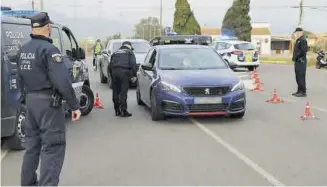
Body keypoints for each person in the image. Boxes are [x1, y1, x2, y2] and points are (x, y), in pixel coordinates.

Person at [17, 12, 81, 186]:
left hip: (30, 103)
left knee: (32, 147)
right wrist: (74, 106)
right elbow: (62, 81)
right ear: (48, 28)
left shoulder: (23, 50)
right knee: (52, 148)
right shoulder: (49, 50)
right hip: (48, 105)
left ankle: (28, 183)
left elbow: (19, 79)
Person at [109, 41, 137, 117]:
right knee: (123, 91)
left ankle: (117, 110)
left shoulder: (115, 53)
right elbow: (133, 64)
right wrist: (133, 76)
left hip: (114, 72)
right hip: (124, 73)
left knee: (115, 91)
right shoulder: (129, 52)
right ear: (130, 46)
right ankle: (123, 110)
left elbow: (110, 65)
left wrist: (112, 76)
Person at [292, 27, 308, 97]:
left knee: (301, 76)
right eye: (296, 33)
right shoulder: (298, 40)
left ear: (301, 33)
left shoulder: (303, 40)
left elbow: (303, 51)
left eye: (297, 33)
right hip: (297, 61)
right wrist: (294, 57)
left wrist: (296, 57)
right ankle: (299, 91)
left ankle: (303, 92)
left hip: (301, 61)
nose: (296, 34)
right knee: (297, 76)